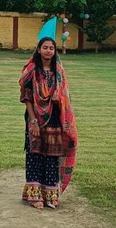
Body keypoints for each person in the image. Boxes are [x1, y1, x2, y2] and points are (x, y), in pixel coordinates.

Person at [20, 36, 78, 209]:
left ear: (54, 51)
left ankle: (50, 194)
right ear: (39, 50)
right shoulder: (31, 70)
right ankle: (34, 196)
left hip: (55, 117)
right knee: (35, 154)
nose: (48, 51)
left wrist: (58, 98)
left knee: (52, 154)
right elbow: (26, 97)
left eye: (51, 48)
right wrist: (33, 121)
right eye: (45, 47)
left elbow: (66, 96)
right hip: (34, 116)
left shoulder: (58, 72)